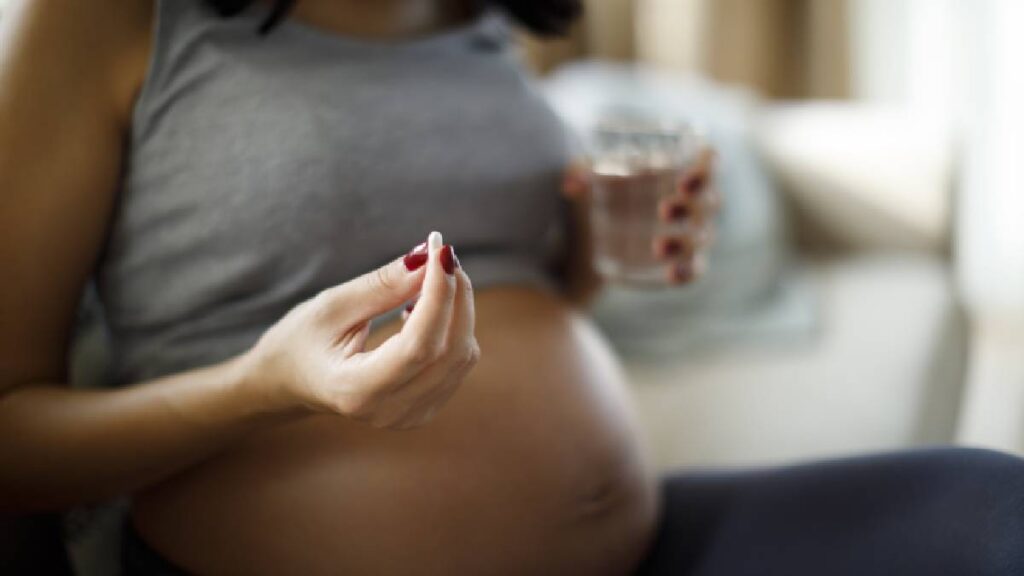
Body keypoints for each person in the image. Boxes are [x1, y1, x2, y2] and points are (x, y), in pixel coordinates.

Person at [0, 1, 1021, 575]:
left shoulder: (485, 20)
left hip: (633, 548)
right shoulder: (105, 22)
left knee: (988, 511)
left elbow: (517, 303)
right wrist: (266, 386)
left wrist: (592, 250)